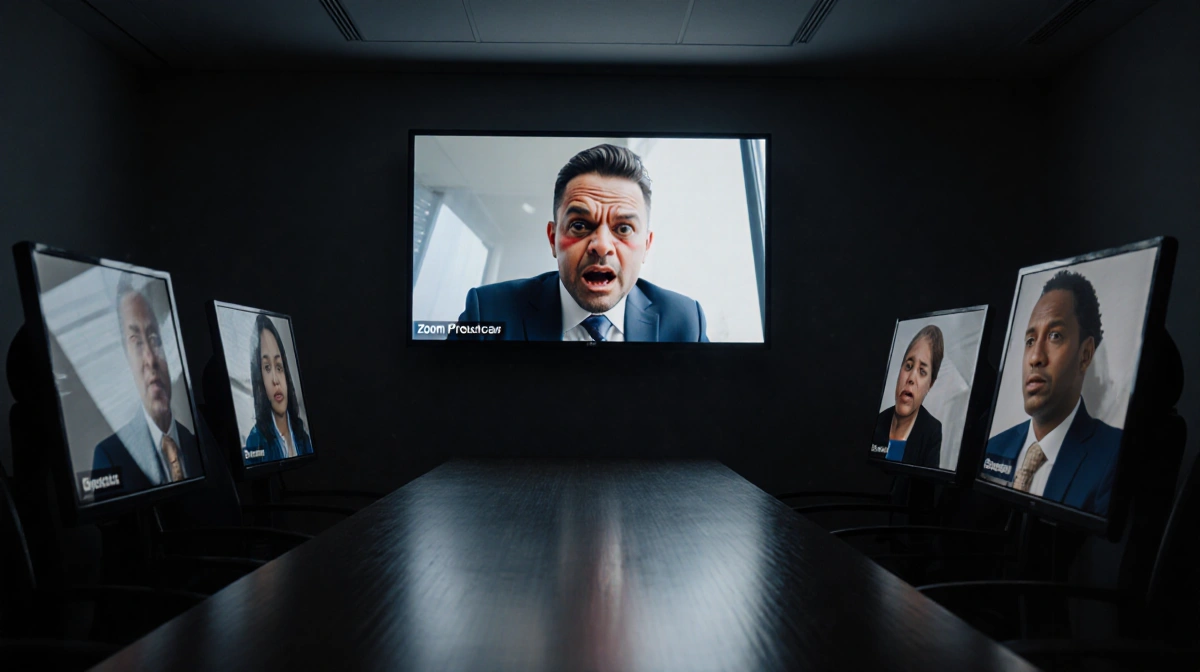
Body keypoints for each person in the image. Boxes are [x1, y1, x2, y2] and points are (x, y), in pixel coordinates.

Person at [452, 144, 708, 342]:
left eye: (623, 228)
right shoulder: (487, 312)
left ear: (647, 246)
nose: (602, 246)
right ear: (553, 239)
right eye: (579, 226)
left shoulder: (685, 322)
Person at [980, 270, 1121, 516]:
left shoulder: (1113, 456)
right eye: (1030, 341)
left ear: (1085, 354)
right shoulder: (994, 447)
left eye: (1055, 336)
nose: (1035, 357)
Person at [92, 278, 202, 492]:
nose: (150, 359)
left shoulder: (195, 444)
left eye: (155, 339)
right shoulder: (109, 457)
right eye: (136, 342)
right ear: (125, 356)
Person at [243, 314, 313, 465]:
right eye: (267, 368)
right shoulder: (255, 442)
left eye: (279, 367)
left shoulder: (303, 436)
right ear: (259, 379)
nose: (275, 380)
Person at [871, 325, 945, 469]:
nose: (911, 378)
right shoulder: (878, 421)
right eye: (908, 366)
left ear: (930, 384)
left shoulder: (931, 432)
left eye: (922, 371)